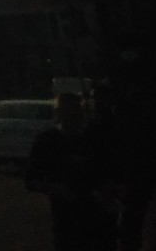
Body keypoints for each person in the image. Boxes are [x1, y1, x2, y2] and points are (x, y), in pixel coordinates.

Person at [27, 92, 118, 251]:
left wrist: (107, 190)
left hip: (99, 219)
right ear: (58, 113)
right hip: (66, 220)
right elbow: (32, 180)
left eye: (74, 110)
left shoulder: (96, 139)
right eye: (65, 111)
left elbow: (112, 173)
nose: (70, 115)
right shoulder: (47, 141)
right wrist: (56, 188)